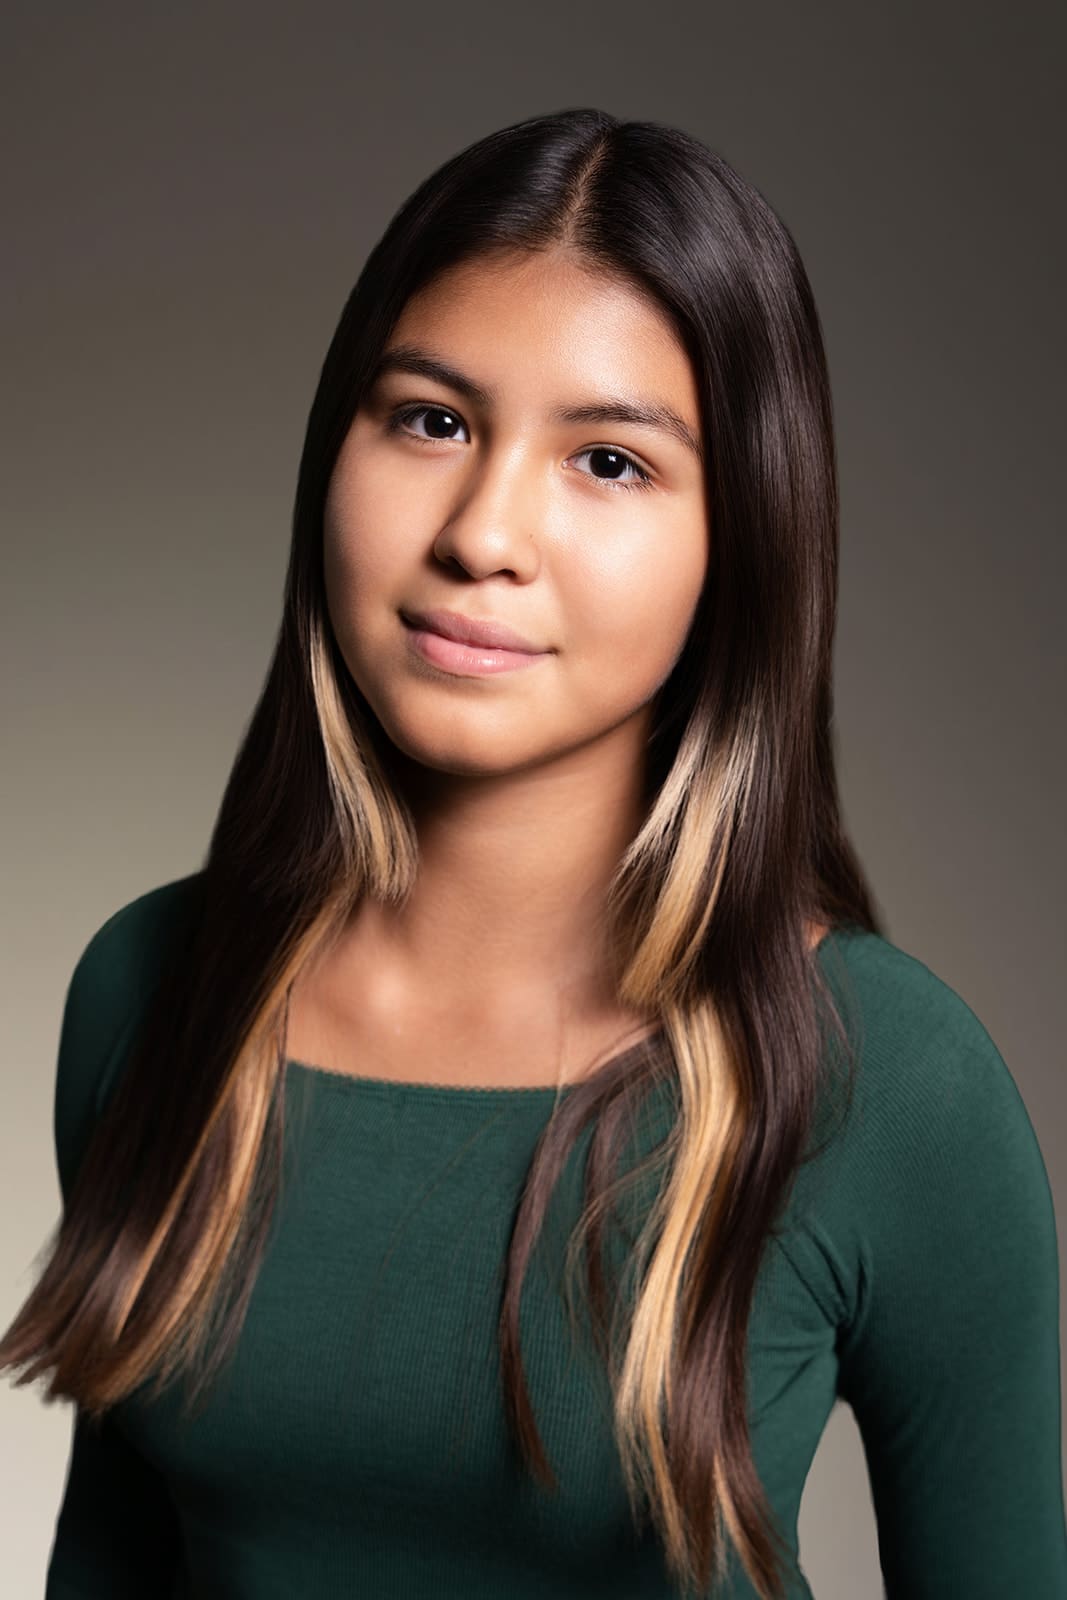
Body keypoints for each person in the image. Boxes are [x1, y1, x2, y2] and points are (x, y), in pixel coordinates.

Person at [2, 106, 1064, 1600]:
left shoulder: (890, 1083)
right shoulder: (153, 991)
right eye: (431, 420)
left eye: (612, 462)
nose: (485, 531)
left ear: (740, 539)